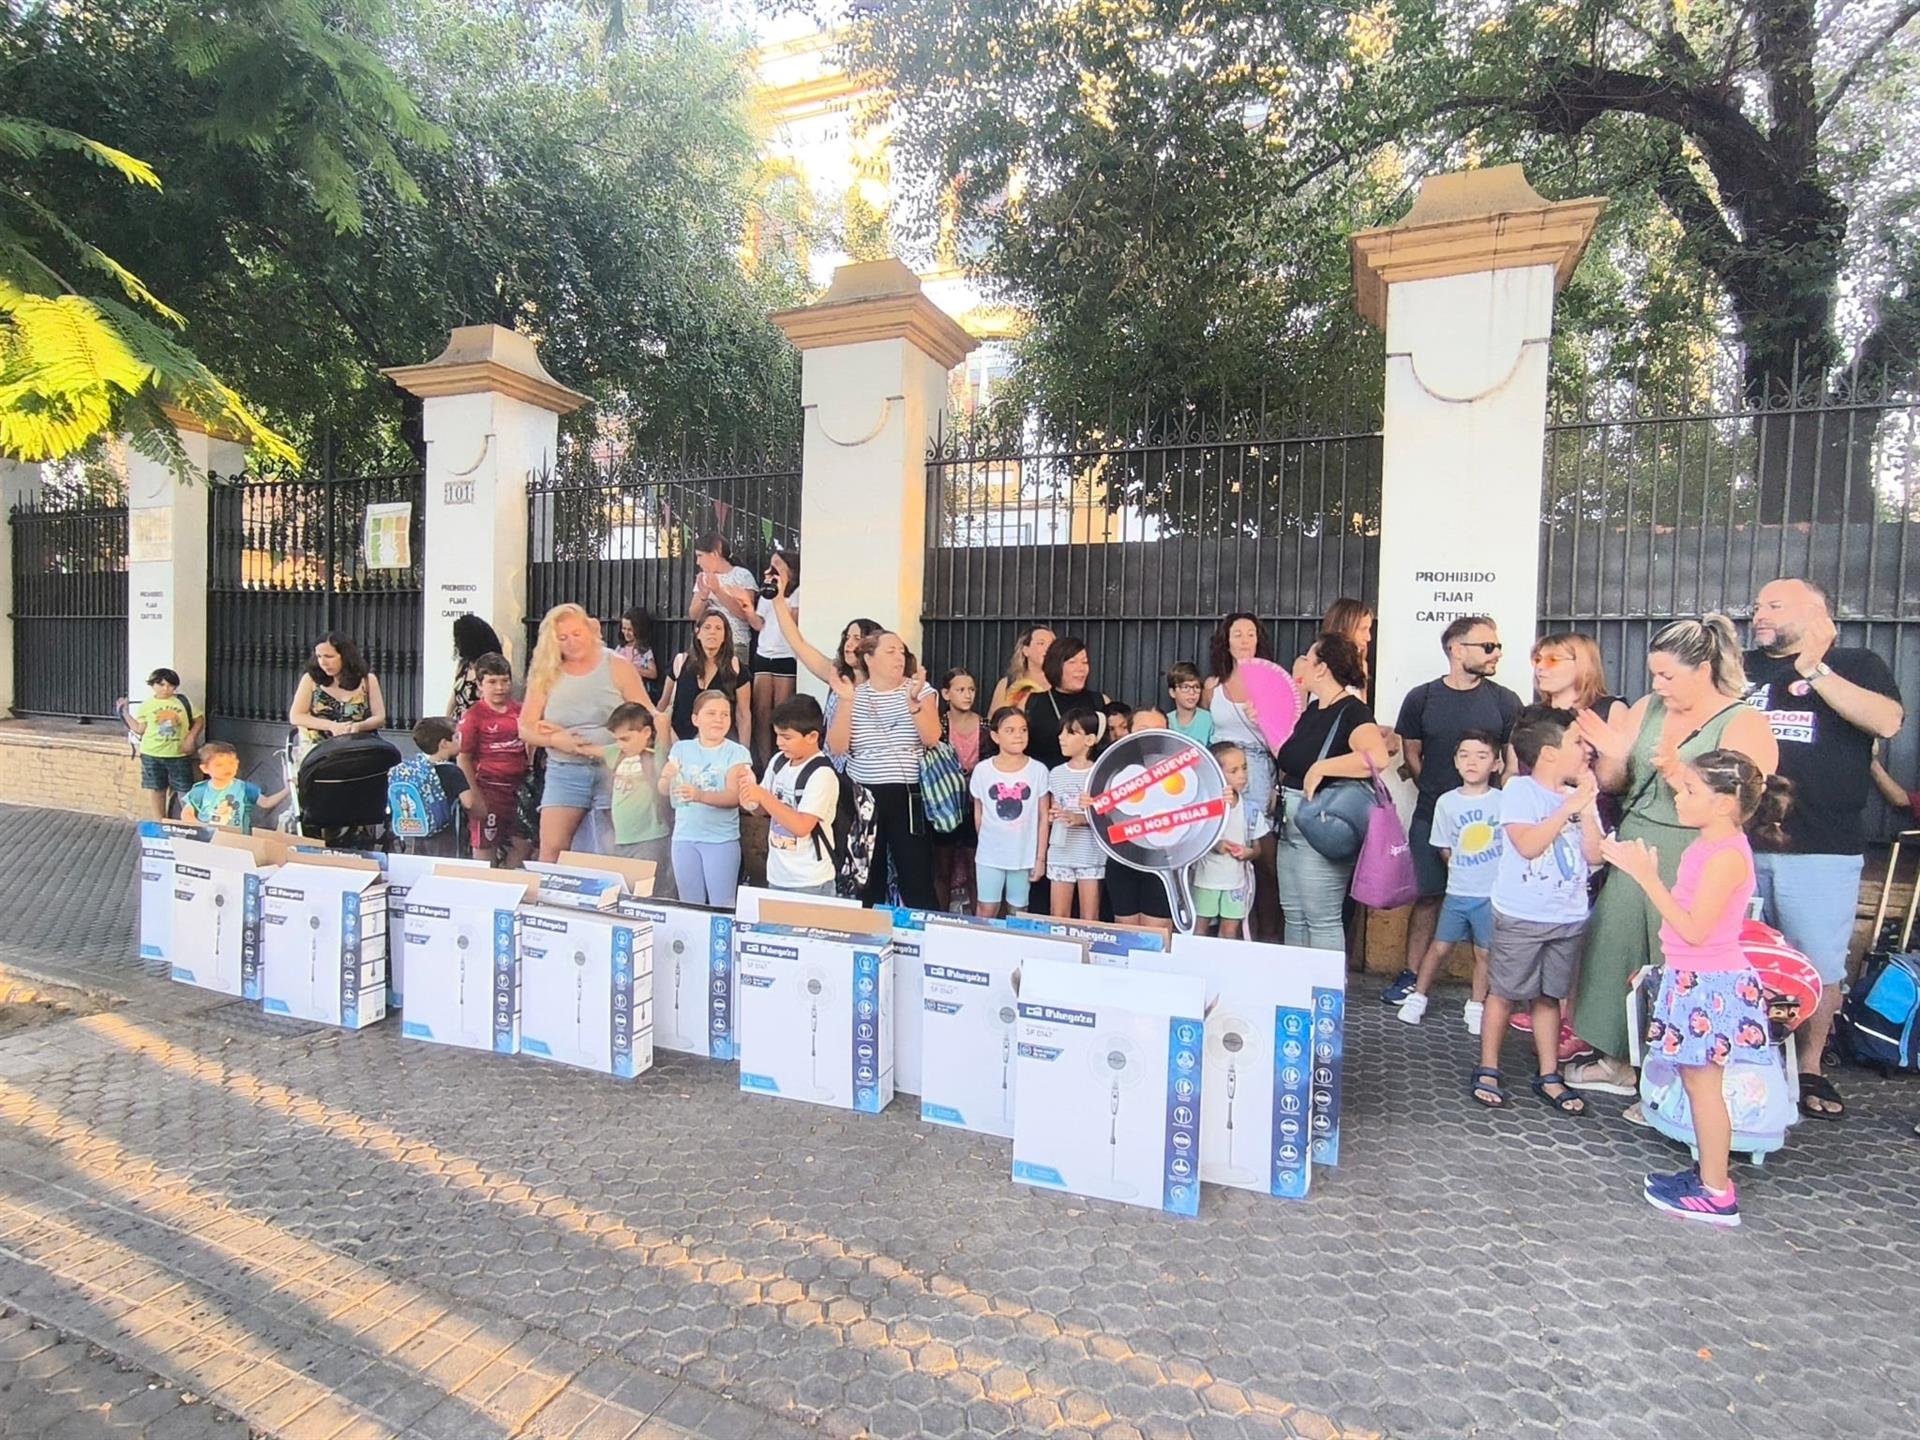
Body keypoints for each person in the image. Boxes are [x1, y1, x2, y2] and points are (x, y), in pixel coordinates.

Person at [1564, 616, 1779, 1099]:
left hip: (1694, 848)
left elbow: (1742, 801)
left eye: (1667, 675)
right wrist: (1613, 753)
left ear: (1703, 668)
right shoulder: (1648, 707)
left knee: (1678, 961)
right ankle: (1616, 1058)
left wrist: (1676, 770)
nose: (1657, 684)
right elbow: (1617, 783)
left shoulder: (1743, 721)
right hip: (1638, 840)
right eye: (1654, 674)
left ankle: (1672, 1079)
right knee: (1615, 945)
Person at [1603, 749, 1793, 1225]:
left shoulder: (1726, 856)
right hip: (1693, 979)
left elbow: (1693, 929)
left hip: (1711, 985)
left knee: (1706, 1090)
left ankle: (1717, 1192)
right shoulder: (1707, 846)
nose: (1679, 797)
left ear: (1724, 803)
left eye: (1690, 791)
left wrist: (1646, 877)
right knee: (1696, 1084)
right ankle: (1708, 1176)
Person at [1744, 577, 1905, 1121]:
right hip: (1737, 844)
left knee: (1816, 963)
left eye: (1774, 605)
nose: (1758, 614)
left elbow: (1887, 722)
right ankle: (1744, 1060)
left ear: (1816, 613)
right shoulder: (1741, 667)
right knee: (1736, 957)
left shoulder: (1856, 663)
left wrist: (1814, 669)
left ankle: (1809, 1067)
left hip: (1820, 848)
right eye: (1758, 605)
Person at [1381, 617, 1524, 1005]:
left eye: (1498, 646)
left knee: (1491, 903)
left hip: (1488, 824)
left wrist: (1492, 802)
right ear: (1457, 650)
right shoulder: (1421, 698)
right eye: (1488, 647)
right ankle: (1411, 977)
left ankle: (1492, 991)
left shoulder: (1506, 701)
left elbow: (1511, 763)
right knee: (1428, 897)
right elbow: (1411, 753)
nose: (1497, 653)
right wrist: (1438, 793)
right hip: (1432, 815)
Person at [1471, 706, 1605, 1116]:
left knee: (1550, 997)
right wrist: (1567, 809)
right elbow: (1528, 845)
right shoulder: (1520, 791)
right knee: (1504, 992)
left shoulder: (1577, 796)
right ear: (1549, 753)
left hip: (1567, 916)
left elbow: (1595, 855)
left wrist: (1587, 808)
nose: (1587, 750)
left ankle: (1549, 1073)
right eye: (1578, 742)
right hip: (1522, 915)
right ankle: (1488, 1066)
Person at [1272, 634, 1391, 951]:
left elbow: (1377, 758)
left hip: (1321, 823)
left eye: (1308, 658)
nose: (1302, 664)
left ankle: (1325, 983)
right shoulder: (1313, 710)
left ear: (1322, 667)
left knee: (1321, 918)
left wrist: (1322, 768)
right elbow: (1291, 757)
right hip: (1290, 823)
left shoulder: (1353, 711)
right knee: (1294, 915)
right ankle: (1297, 980)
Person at [519, 603, 652, 862]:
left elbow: (646, 714)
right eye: (562, 638)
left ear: (590, 630)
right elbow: (525, 727)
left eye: (576, 633)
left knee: (621, 848)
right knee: (552, 849)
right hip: (565, 770)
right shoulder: (545, 672)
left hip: (616, 769)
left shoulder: (617, 665)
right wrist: (554, 739)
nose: (571, 642)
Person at [827, 631, 942, 909]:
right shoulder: (853, 694)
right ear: (869, 658)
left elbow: (932, 737)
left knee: (915, 872)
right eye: (890, 651)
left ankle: (921, 928)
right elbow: (837, 747)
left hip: (907, 792)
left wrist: (913, 704)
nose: (899, 657)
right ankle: (867, 928)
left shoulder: (920, 689)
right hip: (864, 794)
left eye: (902, 651)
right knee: (866, 874)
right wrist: (846, 701)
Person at [1397, 731, 1503, 1030]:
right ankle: (1418, 996)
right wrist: (1456, 867)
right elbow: (1443, 844)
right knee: (1439, 947)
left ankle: (1477, 1004)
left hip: (1490, 895)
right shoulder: (1447, 803)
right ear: (1455, 762)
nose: (1472, 762)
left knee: (1485, 952)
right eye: (1464, 755)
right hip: (1458, 892)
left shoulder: (1503, 801)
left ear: (1496, 764)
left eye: (1482, 756)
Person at [1204, 613, 1281, 939]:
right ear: (1226, 641)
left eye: (1251, 633)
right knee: (1223, 844)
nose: (1245, 640)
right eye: (1237, 634)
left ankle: (1268, 934)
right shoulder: (1213, 687)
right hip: (1221, 770)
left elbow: (1283, 736)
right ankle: (1227, 930)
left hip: (1258, 769)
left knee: (1262, 855)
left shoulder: (1274, 683)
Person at [764, 556, 879, 770]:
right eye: (847, 637)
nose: (849, 643)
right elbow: (798, 644)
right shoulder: (836, 674)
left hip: (867, 771)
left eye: (857, 638)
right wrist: (778, 601)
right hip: (832, 768)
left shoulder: (883, 684)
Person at [740, 695, 841, 897]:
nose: (779, 743)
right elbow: (761, 810)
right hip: (777, 874)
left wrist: (763, 796)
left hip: (811, 880)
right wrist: (749, 799)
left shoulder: (821, 774)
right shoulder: (779, 762)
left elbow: (802, 826)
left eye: (787, 737)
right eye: (777, 735)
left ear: (812, 736)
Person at [661, 691, 753, 907]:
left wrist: (700, 795)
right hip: (684, 837)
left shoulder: (737, 753)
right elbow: (663, 788)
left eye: (725, 714)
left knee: (722, 905)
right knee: (689, 904)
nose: (719, 719)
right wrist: (667, 778)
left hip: (720, 840)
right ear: (695, 719)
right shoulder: (681, 749)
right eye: (711, 713)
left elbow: (734, 797)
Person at [971, 707, 1051, 918]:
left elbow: (1043, 817)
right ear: (995, 736)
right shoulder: (983, 770)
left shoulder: (1038, 770)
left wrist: (1040, 858)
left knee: (1018, 910)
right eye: (1010, 730)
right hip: (990, 855)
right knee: (986, 908)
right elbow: (979, 813)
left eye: (1023, 730)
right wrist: (988, 842)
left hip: (1023, 856)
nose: (1018, 735)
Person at [457, 653, 532, 866]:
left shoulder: (522, 711)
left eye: (505, 681)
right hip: (488, 791)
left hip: (519, 791)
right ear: (480, 685)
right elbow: (463, 759)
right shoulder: (473, 717)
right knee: (485, 850)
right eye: (492, 682)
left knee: (524, 845)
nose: (500, 688)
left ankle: (507, 880)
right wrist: (474, 797)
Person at [1105, 709, 1174, 935]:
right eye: (1144, 729)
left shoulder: (1183, 766)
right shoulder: (1112, 765)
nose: (1151, 734)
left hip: (1163, 858)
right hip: (1123, 855)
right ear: (1129, 731)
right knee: (1125, 930)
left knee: (1157, 931)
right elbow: (1100, 809)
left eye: (1159, 729)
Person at [731, 548, 801, 766]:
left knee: (782, 710)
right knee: (761, 712)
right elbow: (758, 624)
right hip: (764, 653)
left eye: (777, 565)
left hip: (786, 654)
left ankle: (782, 759)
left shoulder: (798, 593)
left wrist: (780, 594)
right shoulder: (766, 593)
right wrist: (747, 608)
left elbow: (794, 623)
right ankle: (764, 761)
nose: (770, 570)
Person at [602, 704, 673, 885]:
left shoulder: (655, 756)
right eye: (616, 740)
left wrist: (659, 721)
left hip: (650, 838)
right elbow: (587, 749)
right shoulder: (617, 754)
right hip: (620, 839)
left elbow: (663, 734)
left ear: (646, 732)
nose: (620, 744)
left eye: (625, 739)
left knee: (650, 890)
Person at [119, 668, 204, 821]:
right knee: (157, 789)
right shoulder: (147, 705)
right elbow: (139, 728)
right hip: (152, 754)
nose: (166, 689)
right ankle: (160, 821)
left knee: (184, 789)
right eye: (161, 685)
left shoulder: (183, 702)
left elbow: (199, 720)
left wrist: (191, 738)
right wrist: (124, 712)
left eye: (170, 685)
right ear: (153, 685)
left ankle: (192, 823)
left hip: (178, 754)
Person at [1045, 712, 1106, 920]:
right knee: (1058, 915)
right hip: (1060, 852)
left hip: (1090, 854)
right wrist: (1053, 816)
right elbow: (1053, 807)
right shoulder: (1056, 773)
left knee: (1089, 917)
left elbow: (1108, 817)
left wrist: (1080, 819)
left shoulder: (1099, 773)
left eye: (1070, 733)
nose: (1061, 737)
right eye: (1061, 732)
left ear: (1090, 740)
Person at [661, 612, 751, 747]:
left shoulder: (736, 668)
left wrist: (744, 752)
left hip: (719, 744)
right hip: (679, 742)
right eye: (707, 627)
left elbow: (743, 715)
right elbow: (664, 704)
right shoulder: (680, 662)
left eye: (718, 628)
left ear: (725, 636)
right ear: (698, 633)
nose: (712, 632)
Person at [933, 668, 983, 912]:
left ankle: (978, 919)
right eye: (960, 690)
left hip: (975, 804)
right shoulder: (937, 725)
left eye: (971, 689)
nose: (967, 695)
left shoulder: (985, 725)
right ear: (946, 694)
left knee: (975, 867)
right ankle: (940, 916)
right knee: (942, 867)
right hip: (945, 804)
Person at [1192, 742, 1253, 939]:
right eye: (1233, 771)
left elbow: (1257, 848)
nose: (1242, 775)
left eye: (1244, 768)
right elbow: (1195, 837)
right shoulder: (1204, 805)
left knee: (1230, 931)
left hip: (1236, 882)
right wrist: (1215, 844)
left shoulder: (1249, 809)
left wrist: (1249, 852)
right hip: (1205, 880)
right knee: (1199, 928)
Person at [1019, 636, 1108, 770]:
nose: (1081, 668)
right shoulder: (1030, 702)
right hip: (1043, 778)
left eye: (1084, 662)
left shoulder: (1100, 701)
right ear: (1055, 665)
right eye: (1072, 662)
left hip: (1088, 779)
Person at [288, 633, 387, 751]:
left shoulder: (368, 680)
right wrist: (332, 726)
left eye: (329, 656)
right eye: (319, 656)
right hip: (319, 749)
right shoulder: (310, 680)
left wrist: (358, 726)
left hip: (359, 747)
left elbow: (379, 718)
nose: (323, 662)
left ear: (345, 657)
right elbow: (296, 716)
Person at [396, 717, 473, 857]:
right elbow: (468, 803)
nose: (460, 740)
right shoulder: (452, 772)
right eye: (456, 737)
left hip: (420, 831)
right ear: (444, 743)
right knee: (445, 865)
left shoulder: (418, 769)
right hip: (446, 833)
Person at [181, 742, 286, 833]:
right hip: (209, 840)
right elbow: (187, 814)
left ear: (237, 763)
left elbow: (266, 802)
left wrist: (288, 790)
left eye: (231, 763)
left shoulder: (244, 788)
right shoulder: (200, 790)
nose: (227, 768)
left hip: (239, 840)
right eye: (219, 765)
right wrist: (203, 828)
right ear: (205, 768)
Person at [686, 533, 759, 662]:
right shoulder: (704, 577)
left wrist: (718, 591)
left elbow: (746, 614)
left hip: (734, 642)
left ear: (715, 553)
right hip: (705, 642)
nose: (698, 562)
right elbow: (694, 615)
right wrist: (703, 596)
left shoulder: (742, 575)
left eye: (700, 556)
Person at [1293, 598, 1375, 695]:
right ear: (1343, 627)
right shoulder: (1306, 663)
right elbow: (1298, 703)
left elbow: (1362, 703)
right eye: (1363, 629)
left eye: (1369, 629)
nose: (1368, 637)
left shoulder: (1361, 664)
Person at [448, 615, 507, 721]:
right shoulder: (464, 665)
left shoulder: (490, 667)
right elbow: (453, 697)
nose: (456, 643)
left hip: (479, 724)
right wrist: (446, 721)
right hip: (457, 724)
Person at [990, 625, 1056, 714]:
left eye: (1052, 644)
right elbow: (994, 718)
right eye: (1041, 643)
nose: (1048, 648)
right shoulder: (1007, 683)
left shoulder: (1061, 683)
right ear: (1025, 650)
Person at [613, 607, 659, 698]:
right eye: (624, 629)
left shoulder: (644, 651)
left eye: (630, 630)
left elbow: (653, 673)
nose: (626, 633)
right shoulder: (620, 649)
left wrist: (634, 668)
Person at [1167, 663, 1214, 746]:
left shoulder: (1209, 719)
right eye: (1185, 687)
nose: (1192, 692)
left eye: (1196, 687)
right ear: (1172, 692)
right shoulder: (1167, 720)